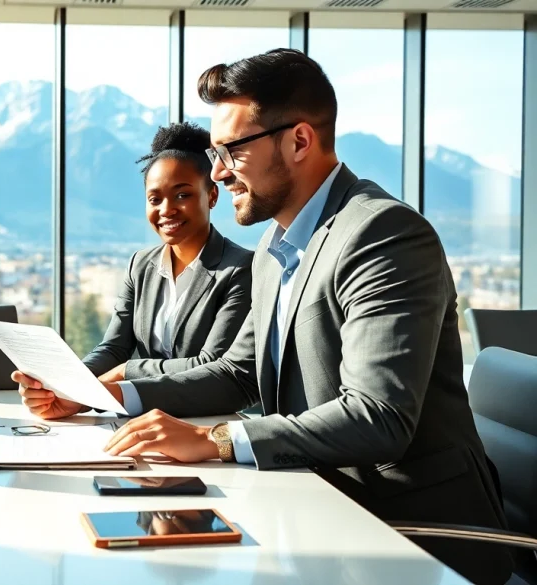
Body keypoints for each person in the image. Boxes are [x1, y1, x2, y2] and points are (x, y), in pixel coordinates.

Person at [27, 50, 513, 585]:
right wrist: (106, 395)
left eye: (232, 150)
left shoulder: (382, 234)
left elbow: (378, 416)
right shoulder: (272, 249)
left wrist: (217, 440)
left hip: (412, 530)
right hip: (315, 503)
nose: (218, 172)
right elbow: (237, 372)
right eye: (215, 153)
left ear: (299, 141)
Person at [14, 123, 253, 420]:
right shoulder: (140, 265)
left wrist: (127, 372)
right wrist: (65, 385)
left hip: (205, 422)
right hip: (141, 417)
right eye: (155, 199)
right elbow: (114, 348)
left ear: (212, 196)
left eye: (182, 195)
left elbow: (211, 364)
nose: (166, 209)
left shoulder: (241, 269)